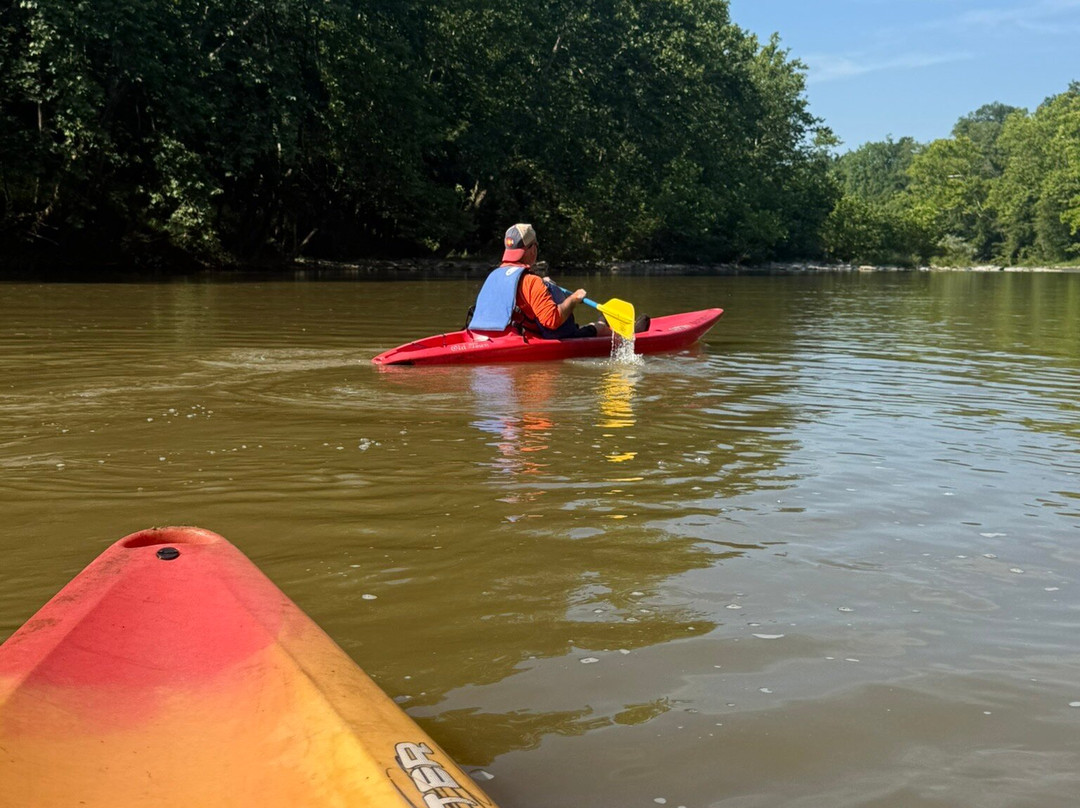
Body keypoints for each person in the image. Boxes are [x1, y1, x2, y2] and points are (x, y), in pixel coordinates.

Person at [468, 223, 612, 338]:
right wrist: (574, 299)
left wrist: (544, 283)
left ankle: (603, 319)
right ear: (533, 249)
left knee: (589, 326)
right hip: (532, 337)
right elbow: (552, 321)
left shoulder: (495, 275)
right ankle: (605, 323)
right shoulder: (532, 282)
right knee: (598, 328)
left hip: (488, 336)